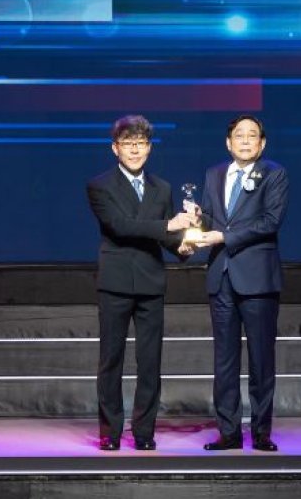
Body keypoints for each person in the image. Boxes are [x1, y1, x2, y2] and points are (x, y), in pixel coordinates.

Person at [86, 115, 194, 451]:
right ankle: (110, 432)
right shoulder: (99, 185)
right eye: (128, 143)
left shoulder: (162, 187)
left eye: (141, 143)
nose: (135, 149)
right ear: (115, 148)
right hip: (115, 282)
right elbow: (120, 226)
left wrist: (184, 245)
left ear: (149, 148)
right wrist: (168, 225)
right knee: (111, 361)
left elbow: (167, 237)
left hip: (150, 282)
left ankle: (144, 432)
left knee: (150, 363)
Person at [188, 115, 288, 452]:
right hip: (222, 276)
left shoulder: (274, 173)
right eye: (239, 135)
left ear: (262, 143)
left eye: (252, 135)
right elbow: (211, 220)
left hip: (258, 278)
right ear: (228, 142)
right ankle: (228, 432)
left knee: (261, 359)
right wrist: (197, 221)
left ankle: (261, 432)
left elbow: (270, 221)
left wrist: (223, 236)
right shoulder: (214, 174)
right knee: (225, 360)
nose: (245, 140)